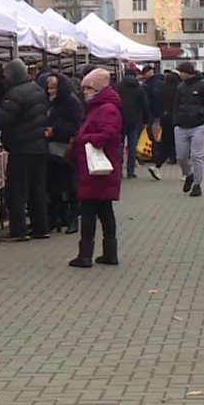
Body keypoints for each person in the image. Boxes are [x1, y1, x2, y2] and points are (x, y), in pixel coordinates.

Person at [0, 59, 50, 242]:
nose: (4, 81)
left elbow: (1, 120)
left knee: (16, 191)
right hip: (39, 147)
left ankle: (18, 230)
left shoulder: (15, 94)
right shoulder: (38, 90)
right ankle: (41, 227)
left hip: (21, 148)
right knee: (36, 190)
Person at [69, 69, 123, 268]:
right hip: (98, 169)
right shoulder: (99, 107)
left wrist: (83, 139)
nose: (85, 92)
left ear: (98, 88)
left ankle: (85, 255)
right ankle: (109, 253)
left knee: (90, 211)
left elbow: (107, 136)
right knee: (104, 211)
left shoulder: (106, 109)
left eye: (88, 88)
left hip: (98, 169)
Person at [44, 72, 85, 234]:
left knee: (70, 186)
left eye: (53, 87)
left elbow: (77, 126)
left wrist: (55, 130)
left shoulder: (72, 103)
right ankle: (56, 219)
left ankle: (72, 218)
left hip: (66, 149)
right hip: (51, 150)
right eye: (48, 87)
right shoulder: (49, 103)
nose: (49, 91)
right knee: (53, 185)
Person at [173, 61, 204, 197]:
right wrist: (175, 121)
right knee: (181, 156)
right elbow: (176, 104)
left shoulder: (203, 86)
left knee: (195, 155)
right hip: (181, 125)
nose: (180, 74)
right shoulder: (180, 87)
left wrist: (200, 112)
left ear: (187, 72)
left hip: (197, 125)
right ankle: (189, 175)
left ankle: (197, 184)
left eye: (181, 72)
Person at [115, 67, 150, 179]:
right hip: (135, 120)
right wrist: (145, 120)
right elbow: (145, 106)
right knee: (132, 146)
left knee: (119, 145)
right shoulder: (140, 89)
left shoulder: (118, 87)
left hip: (120, 119)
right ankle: (131, 171)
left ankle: (119, 170)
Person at [148, 69, 180, 180]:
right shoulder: (179, 88)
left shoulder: (162, 88)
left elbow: (156, 102)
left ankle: (157, 164)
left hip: (165, 118)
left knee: (165, 142)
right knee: (180, 144)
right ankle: (185, 171)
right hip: (178, 119)